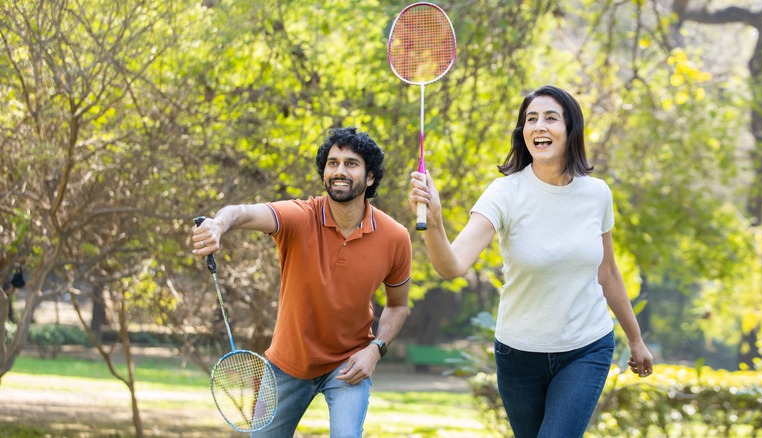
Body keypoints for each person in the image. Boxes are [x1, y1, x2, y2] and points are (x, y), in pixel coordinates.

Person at [408, 85, 654, 437]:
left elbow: (608, 272)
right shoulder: (504, 193)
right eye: (531, 119)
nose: (539, 126)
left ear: (570, 130)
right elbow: (452, 266)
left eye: (550, 118)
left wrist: (636, 339)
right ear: (522, 133)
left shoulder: (597, 193)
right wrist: (434, 222)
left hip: (585, 348)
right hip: (518, 354)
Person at [194, 127, 412, 437]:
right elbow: (242, 212)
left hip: (349, 365)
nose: (339, 170)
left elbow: (398, 307)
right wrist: (219, 224)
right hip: (287, 364)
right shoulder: (299, 217)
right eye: (332, 163)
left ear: (371, 176)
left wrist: (375, 349)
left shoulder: (395, 237)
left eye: (351, 164)